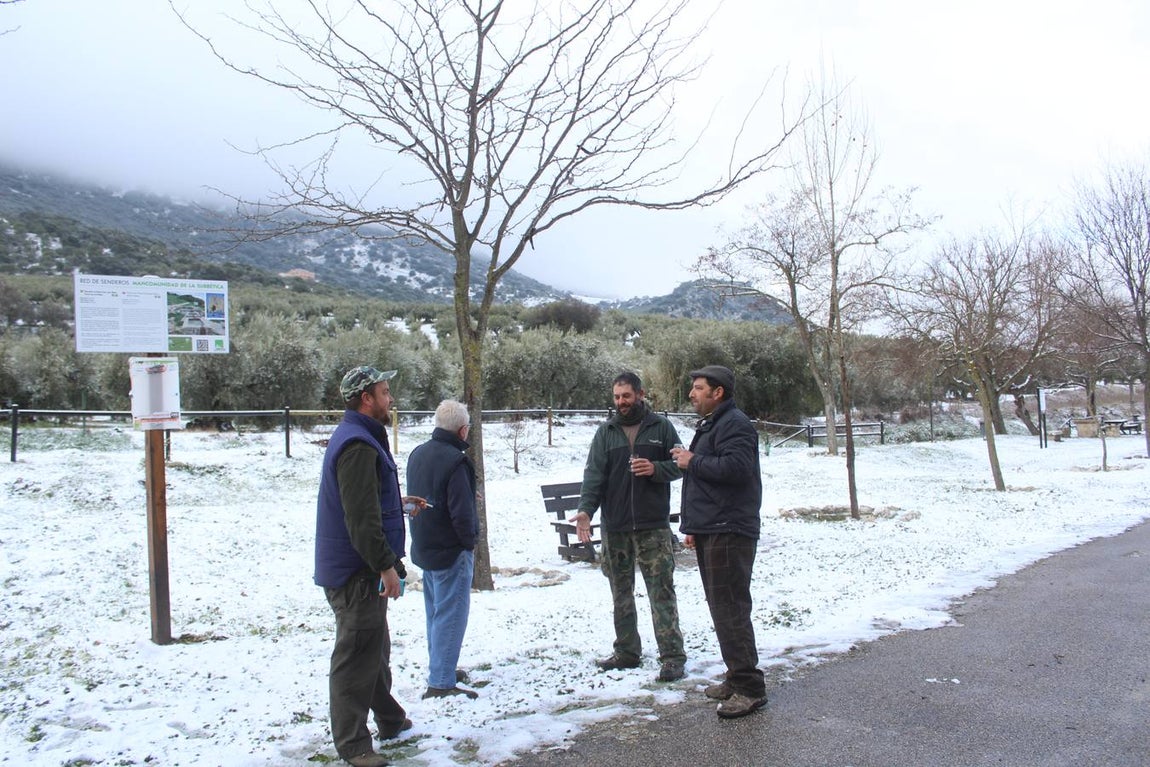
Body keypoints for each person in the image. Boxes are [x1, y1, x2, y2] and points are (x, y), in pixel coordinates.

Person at [314, 365, 424, 767]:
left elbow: (368, 502)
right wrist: (385, 566)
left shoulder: (360, 438)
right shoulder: (358, 445)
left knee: (374, 648)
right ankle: (354, 746)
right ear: (366, 398)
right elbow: (359, 518)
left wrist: (400, 504)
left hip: (361, 567)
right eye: (384, 391)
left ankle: (391, 720)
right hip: (356, 572)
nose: (390, 398)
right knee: (357, 654)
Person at [571, 371, 687, 683]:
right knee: (620, 593)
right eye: (617, 397)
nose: (622, 402)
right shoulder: (605, 433)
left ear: (640, 394)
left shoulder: (662, 428)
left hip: (653, 527)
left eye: (627, 396)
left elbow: (682, 464)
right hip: (616, 528)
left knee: (661, 592)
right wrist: (585, 511)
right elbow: (593, 476)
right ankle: (627, 652)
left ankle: (673, 657)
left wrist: (655, 468)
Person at [671, 365, 766, 719]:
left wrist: (691, 460)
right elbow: (707, 482)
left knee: (731, 608)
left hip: (730, 529)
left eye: (698, 388)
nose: (692, 394)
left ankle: (749, 688)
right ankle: (736, 676)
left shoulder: (735, 424)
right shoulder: (714, 424)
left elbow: (736, 470)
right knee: (721, 607)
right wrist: (695, 526)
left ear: (718, 392)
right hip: (714, 527)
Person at [406, 399, 481, 700]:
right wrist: (469, 541)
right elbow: (461, 513)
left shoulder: (416, 454)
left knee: (435, 613)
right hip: (451, 549)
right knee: (451, 614)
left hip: (425, 544)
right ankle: (440, 682)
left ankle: (442, 667)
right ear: (463, 431)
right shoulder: (457, 462)